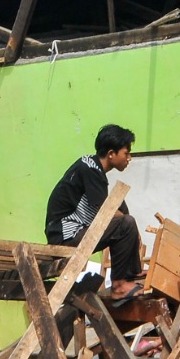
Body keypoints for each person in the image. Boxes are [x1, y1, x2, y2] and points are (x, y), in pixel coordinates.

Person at [45, 124, 144, 301]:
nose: (129, 158)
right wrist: (131, 230)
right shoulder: (89, 168)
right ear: (111, 153)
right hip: (66, 236)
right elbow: (104, 212)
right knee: (126, 223)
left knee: (123, 210)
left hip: (76, 233)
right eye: (126, 153)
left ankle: (132, 276)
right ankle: (120, 285)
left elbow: (113, 209)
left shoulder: (93, 170)